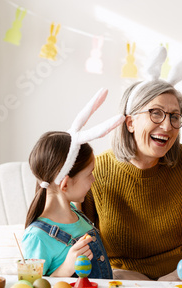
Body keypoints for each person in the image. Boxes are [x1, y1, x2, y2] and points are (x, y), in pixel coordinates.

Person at [80, 46, 182, 281]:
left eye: (174, 116)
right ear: (130, 122)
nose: (167, 126)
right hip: (123, 276)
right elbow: (76, 235)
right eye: (156, 113)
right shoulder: (96, 171)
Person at [22, 88, 123, 278]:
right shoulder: (37, 238)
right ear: (65, 184)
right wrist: (66, 268)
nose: (93, 179)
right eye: (89, 174)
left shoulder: (78, 215)